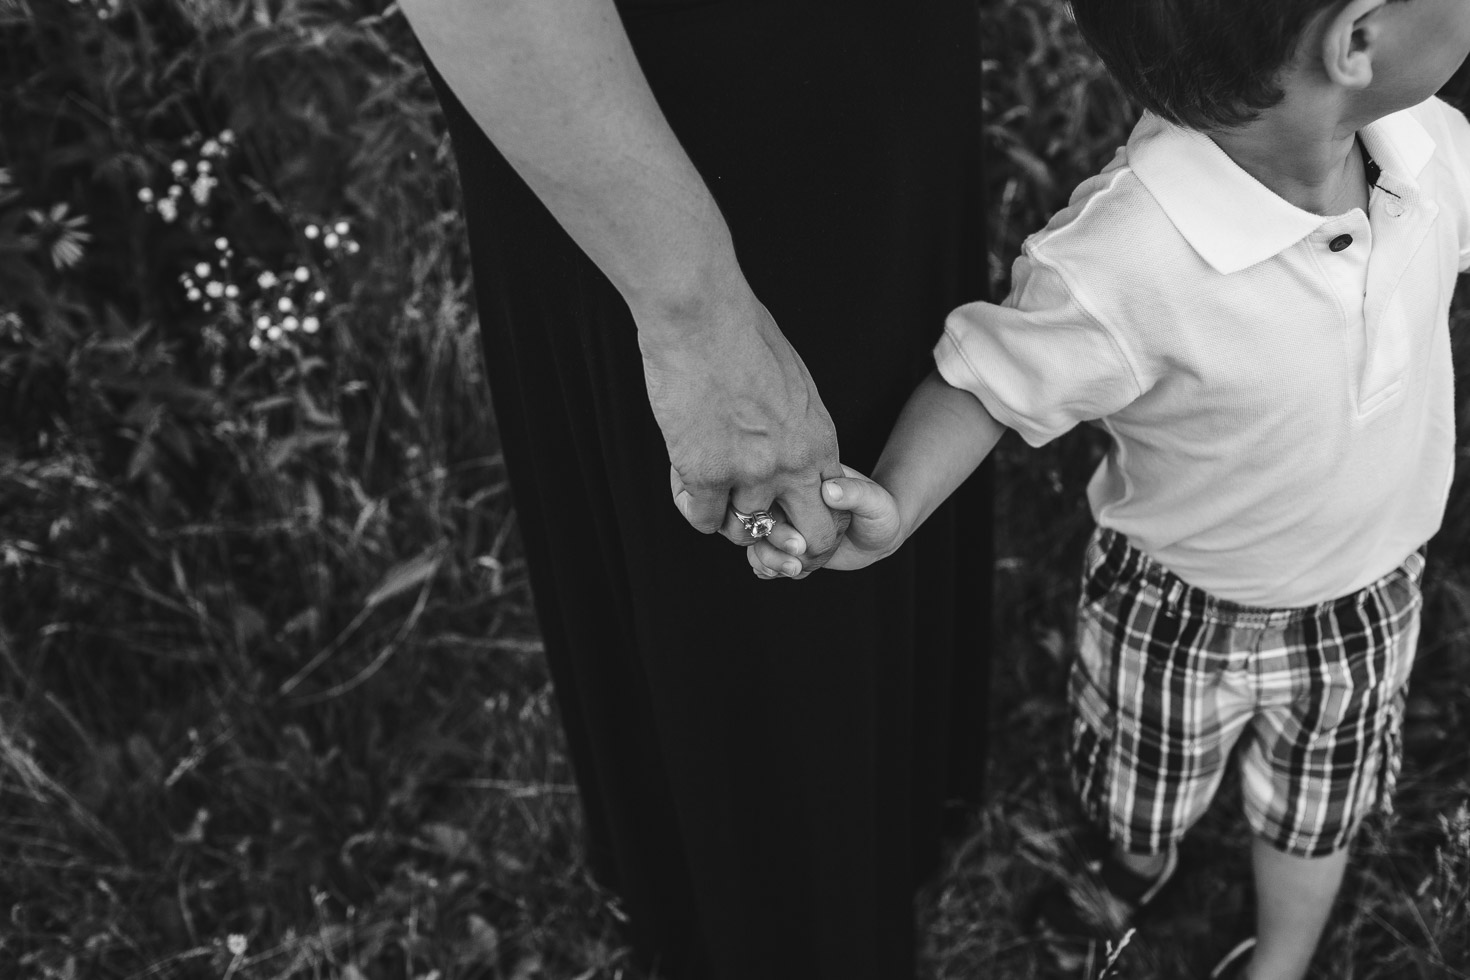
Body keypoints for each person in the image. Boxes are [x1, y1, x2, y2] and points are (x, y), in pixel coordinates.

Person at [751, 0, 1470, 977]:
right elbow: (985, 384)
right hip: (1173, 606)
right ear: (1356, 41)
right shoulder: (1123, 261)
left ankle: (1283, 958)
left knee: (1320, 812)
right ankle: (1132, 863)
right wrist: (898, 500)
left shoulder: (1428, 149)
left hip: (1367, 593)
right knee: (1139, 780)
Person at [397, 1, 992, 977]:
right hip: (665, 101)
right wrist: (693, 314)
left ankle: (893, 808)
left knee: (874, 356)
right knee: (755, 522)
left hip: (873, 63)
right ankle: (777, 907)